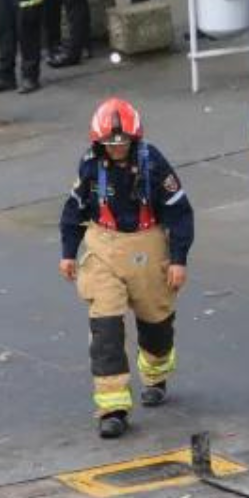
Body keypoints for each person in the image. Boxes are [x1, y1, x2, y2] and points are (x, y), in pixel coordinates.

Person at [59, 99, 195, 439]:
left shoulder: (153, 163)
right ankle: (112, 407)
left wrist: (178, 259)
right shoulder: (90, 165)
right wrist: (68, 252)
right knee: (105, 327)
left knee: (156, 322)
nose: (116, 148)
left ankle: (155, 372)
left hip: (147, 246)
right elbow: (74, 209)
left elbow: (180, 212)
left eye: (122, 142)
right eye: (110, 142)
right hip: (103, 245)